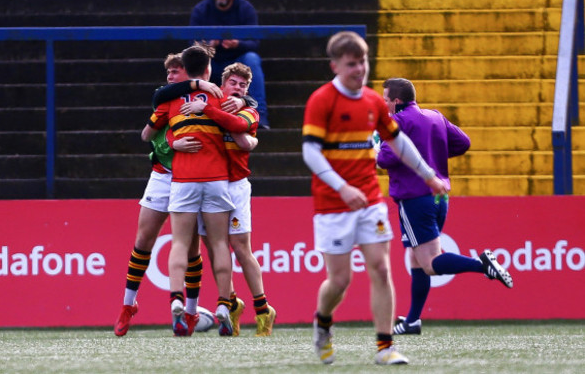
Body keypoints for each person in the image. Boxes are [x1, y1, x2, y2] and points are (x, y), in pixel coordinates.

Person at [302, 31, 449, 366]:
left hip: (369, 200)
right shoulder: (322, 100)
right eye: (352, 64)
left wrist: (428, 174)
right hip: (333, 203)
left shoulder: (372, 101)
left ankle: (385, 347)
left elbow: (398, 143)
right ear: (335, 66)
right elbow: (311, 154)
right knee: (340, 280)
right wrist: (342, 187)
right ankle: (323, 322)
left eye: (363, 62)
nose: (359, 69)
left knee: (382, 269)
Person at [376, 77, 514, 335]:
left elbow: (384, 158)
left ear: (396, 101)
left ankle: (482, 264)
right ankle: (413, 321)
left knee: (429, 262)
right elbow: (463, 143)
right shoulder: (434, 116)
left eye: (385, 100)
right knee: (416, 258)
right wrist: (432, 152)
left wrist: (375, 149)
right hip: (439, 197)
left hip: (415, 196)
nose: (384, 105)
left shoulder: (398, 122)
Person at [114, 53, 222, 337]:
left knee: (192, 249)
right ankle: (128, 305)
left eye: (176, 71)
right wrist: (175, 143)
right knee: (143, 238)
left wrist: (246, 103)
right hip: (164, 176)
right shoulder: (166, 97)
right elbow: (149, 135)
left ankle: (190, 311)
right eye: (169, 72)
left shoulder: (211, 98)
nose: (171, 77)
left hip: (195, 178)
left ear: (188, 71)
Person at [145, 44, 237, 337]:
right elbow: (241, 119)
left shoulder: (171, 98)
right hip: (216, 177)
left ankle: (176, 300)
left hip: (183, 179)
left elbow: (147, 133)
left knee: (181, 243)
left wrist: (171, 140)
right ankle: (223, 306)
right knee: (219, 244)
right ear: (209, 69)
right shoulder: (220, 96)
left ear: (184, 68)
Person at [180, 62, 276, 337]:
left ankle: (263, 308)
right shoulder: (208, 101)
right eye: (233, 83)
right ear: (223, 84)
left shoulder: (248, 110)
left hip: (234, 185)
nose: (238, 88)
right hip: (207, 184)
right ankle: (231, 303)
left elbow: (237, 126)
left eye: (243, 85)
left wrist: (212, 110)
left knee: (239, 245)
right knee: (213, 247)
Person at [190, 0, 270, 129]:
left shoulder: (246, 9)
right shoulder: (200, 10)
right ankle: (189, 115)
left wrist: (237, 44)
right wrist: (209, 45)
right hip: (211, 64)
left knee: (252, 59)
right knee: (193, 62)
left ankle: (259, 115)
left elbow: (255, 43)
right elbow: (191, 44)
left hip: (237, 63)